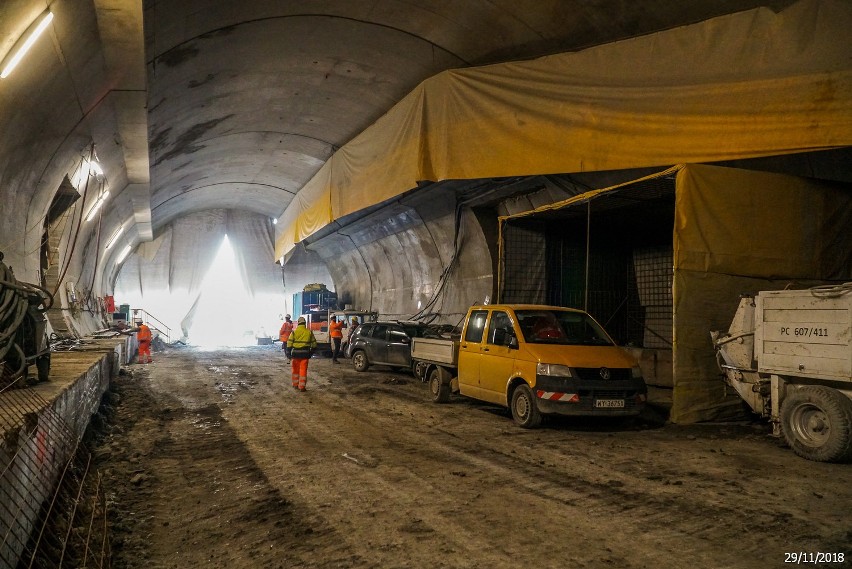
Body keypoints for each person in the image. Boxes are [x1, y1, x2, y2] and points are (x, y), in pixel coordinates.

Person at [287, 316, 317, 391]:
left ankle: (295, 384)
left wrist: (288, 353)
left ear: (298, 323)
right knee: (303, 370)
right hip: (305, 354)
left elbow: (289, 344)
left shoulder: (294, 332)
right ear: (305, 324)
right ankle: (302, 387)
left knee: (295, 370)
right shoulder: (309, 332)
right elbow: (314, 345)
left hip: (295, 354)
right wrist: (310, 353)